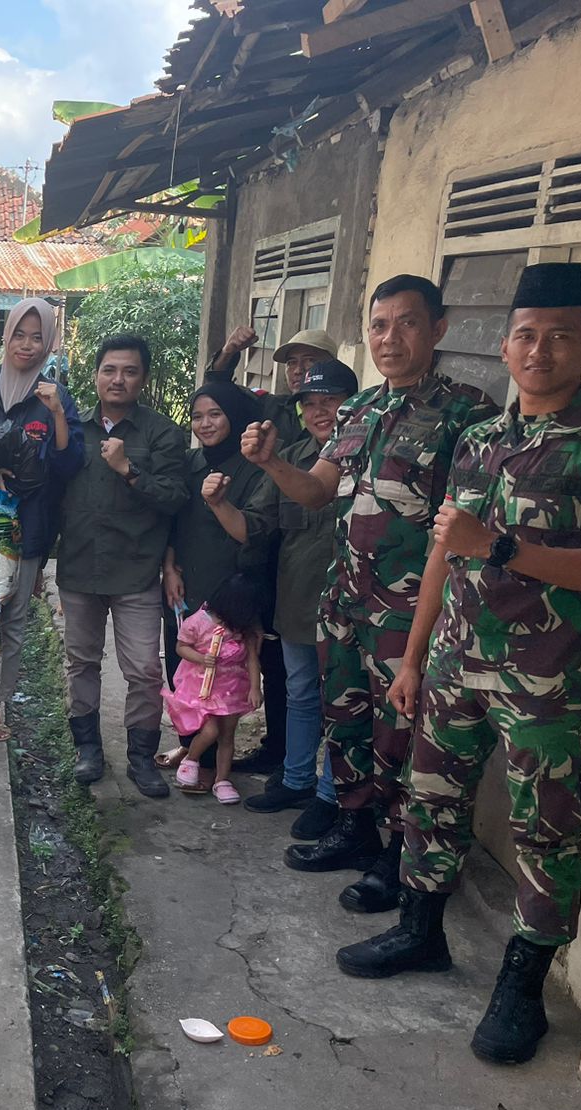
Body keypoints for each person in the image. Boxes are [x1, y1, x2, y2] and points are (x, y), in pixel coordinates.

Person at [337, 263, 581, 1065]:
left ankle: (522, 986)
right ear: (505, 346)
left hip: (545, 680)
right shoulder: (480, 440)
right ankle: (420, 932)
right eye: (525, 336)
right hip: (451, 665)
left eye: (560, 336)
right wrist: (412, 658)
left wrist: (503, 548)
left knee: (545, 830)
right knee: (430, 802)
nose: (539, 351)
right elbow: (444, 554)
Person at [242, 274, 499, 915]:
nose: (390, 338)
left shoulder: (468, 413)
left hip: (409, 614)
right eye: (379, 326)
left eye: (406, 323)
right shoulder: (359, 409)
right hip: (347, 604)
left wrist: (419, 643)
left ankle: (398, 854)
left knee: (405, 739)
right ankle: (355, 827)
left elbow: (457, 532)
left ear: (437, 330)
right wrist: (272, 462)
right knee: (347, 724)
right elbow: (317, 490)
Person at [58, 335, 189, 793]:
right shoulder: (73, 429)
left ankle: (141, 758)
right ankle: (87, 750)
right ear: (96, 375)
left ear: (143, 379)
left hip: (137, 571)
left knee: (145, 671)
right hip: (80, 567)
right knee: (81, 662)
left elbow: (176, 498)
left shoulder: (162, 434)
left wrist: (129, 470)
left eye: (129, 371)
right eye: (109, 370)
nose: (118, 379)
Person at [0, 298, 83, 742]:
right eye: (19, 335)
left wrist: (57, 412)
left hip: (28, 529)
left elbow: (69, 465)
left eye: (37, 337)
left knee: (11, 620)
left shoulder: (54, 397)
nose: (26, 345)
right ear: (6, 337)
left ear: (49, 344)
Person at [243, 360, 357, 839]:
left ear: (354, 404)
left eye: (330, 401)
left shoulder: (368, 455)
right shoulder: (289, 456)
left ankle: (332, 795)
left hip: (352, 604)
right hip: (297, 598)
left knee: (344, 702)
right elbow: (256, 523)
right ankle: (296, 780)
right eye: (310, 404)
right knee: (301, 692)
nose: (319, 412)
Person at [162, 382, 271, 705]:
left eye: (215, 414)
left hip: (232, 591)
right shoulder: (187, 463)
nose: (205, 424)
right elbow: (171, 521)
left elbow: (255, 534)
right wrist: (169, 568)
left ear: (234, 416)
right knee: (182, 674)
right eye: (197, 417)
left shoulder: (254, 468)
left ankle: (214, 741)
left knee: (224, 685)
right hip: (184, 587)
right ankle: (189, 735)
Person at [161, 572, 264, 804]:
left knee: (227, 736)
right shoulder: (198, 622)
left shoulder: (243, 629)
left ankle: (222, 780)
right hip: (203, 687)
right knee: (210, 731)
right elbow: (180, 647)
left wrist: (255, 688)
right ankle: (191, 759)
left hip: (231, 689)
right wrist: (200, 658)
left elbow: (251, 660)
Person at [207, 325, 339, 445]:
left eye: (310, 361)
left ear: (333, 366)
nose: (298, 370)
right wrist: (228, 352)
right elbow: (218, 390)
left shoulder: (345, 412)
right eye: (291, 362)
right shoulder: (269, 408)